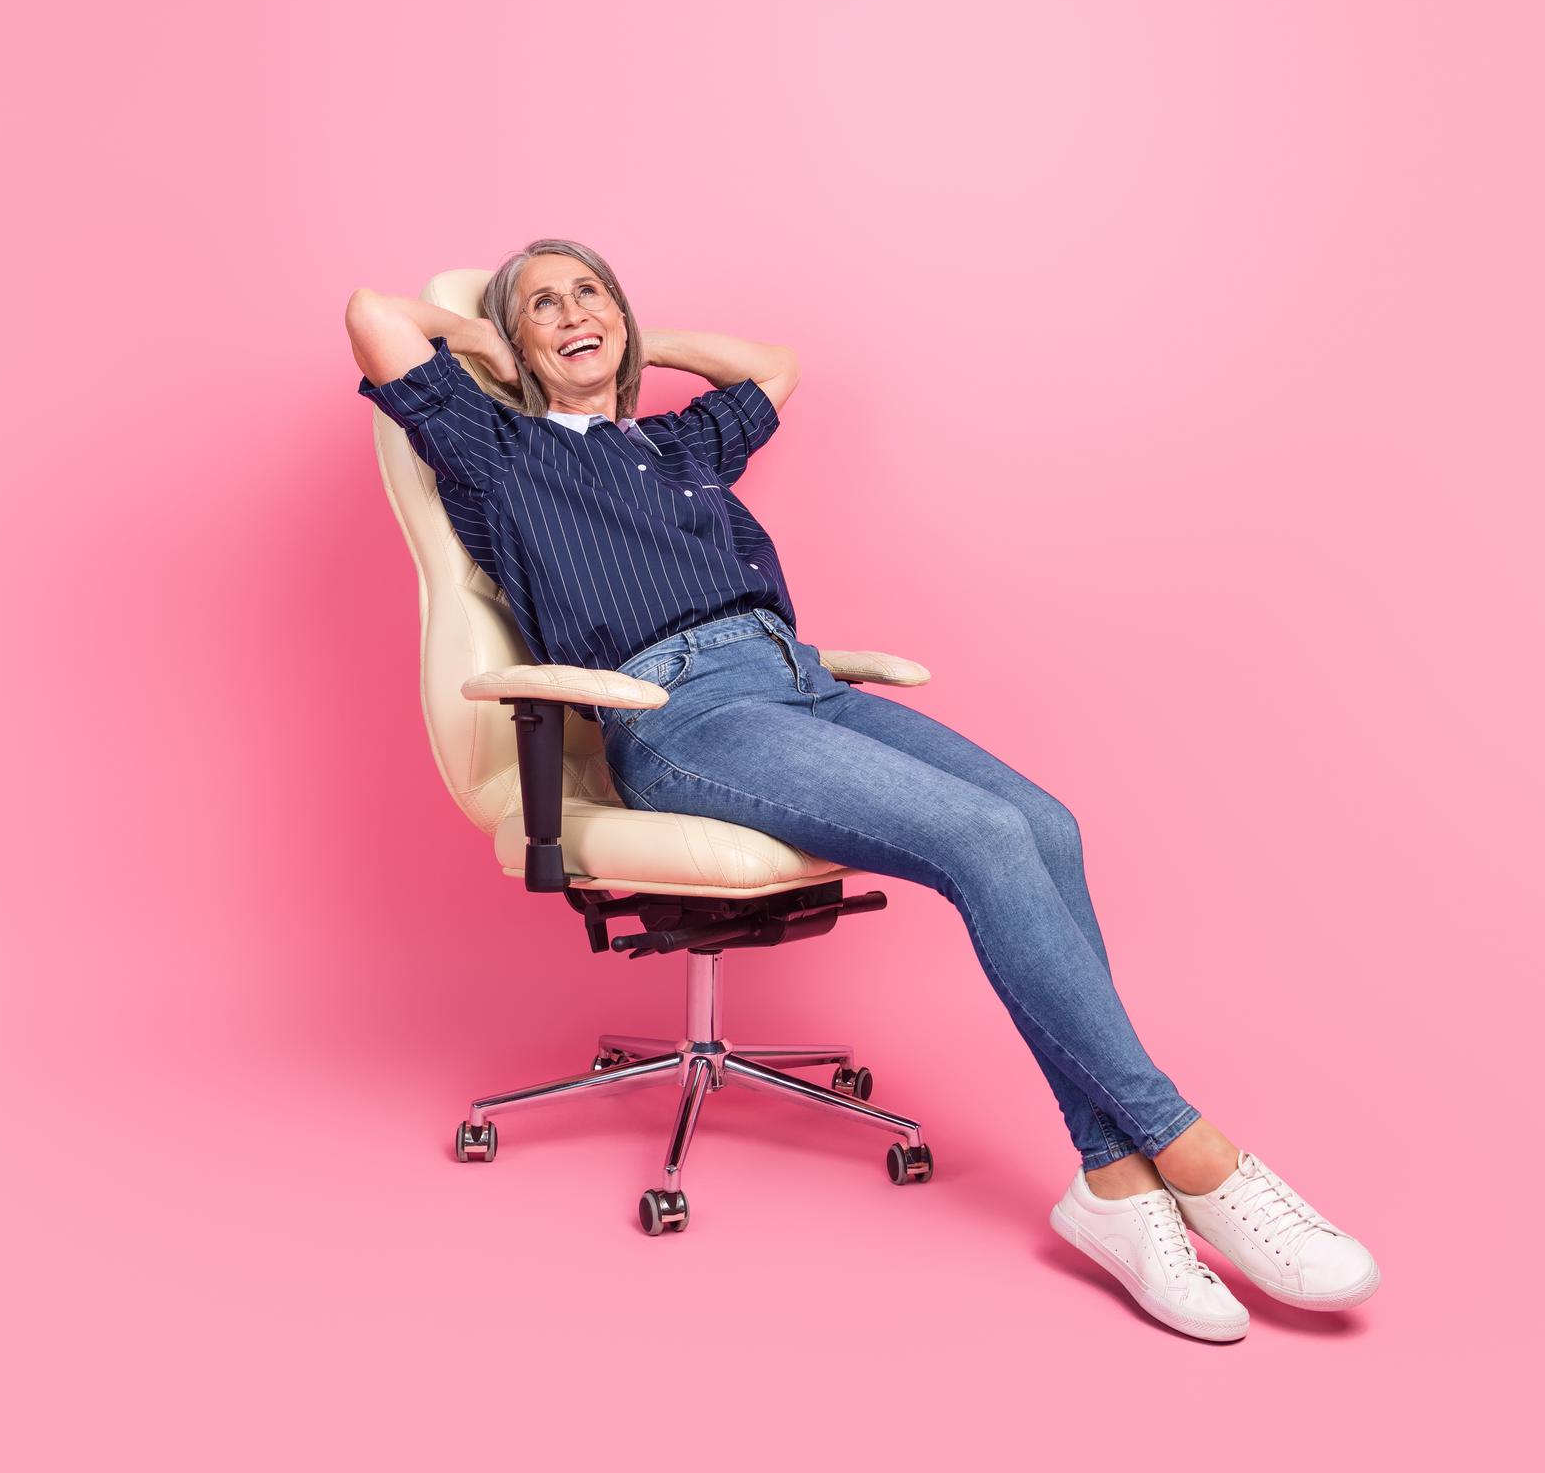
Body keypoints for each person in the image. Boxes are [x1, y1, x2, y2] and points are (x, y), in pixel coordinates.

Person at [345, 238, 1379, 1340]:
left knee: (1045, 825)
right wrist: (497, 348)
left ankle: (1115, 1188)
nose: (572, 312)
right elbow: (376, 315)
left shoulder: (677, 443)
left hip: (801, 679)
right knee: (981, 835)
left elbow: (771, 367)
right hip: (682, 714)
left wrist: (638, 340)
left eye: (590, 292)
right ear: (515, 344)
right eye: (544, 304)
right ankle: (1194, 1153)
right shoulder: (498, 448)